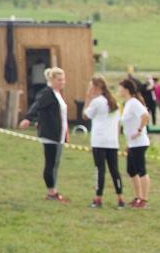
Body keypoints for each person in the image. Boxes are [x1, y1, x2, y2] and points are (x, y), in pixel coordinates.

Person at [19, 67, 71, 202]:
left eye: (63, 80)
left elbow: (51, 112)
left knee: (56, 163)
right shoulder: (47, 93)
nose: (62, 82)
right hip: (50, 134)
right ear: (52, 80)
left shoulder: (57, 93)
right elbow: (37, 106)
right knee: (50, 163)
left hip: (59, 135)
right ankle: (51, 192)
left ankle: (54, 190)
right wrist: (28, 118)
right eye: (59, 80)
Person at [83, 76, 125, 208]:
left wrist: (88, 98)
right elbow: (118, 123)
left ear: (96, 87)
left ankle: (98, 198)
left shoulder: (97, 102)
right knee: (114, 170)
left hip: (99, 140)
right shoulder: (114, 102)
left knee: (100, 169)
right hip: (112, 141)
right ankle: (120, 198)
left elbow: (85, 115)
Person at [117, 79, 151, 208]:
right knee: (131, 170)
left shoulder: (134, 103)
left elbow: (145, 116)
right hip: (132, 144)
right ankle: (138, 197)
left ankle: (144, 200)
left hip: (139, 143)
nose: (118, 91)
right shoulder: (128, 104)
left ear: (126, 90)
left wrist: (139, 130)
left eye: (120, 89)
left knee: (141, 170)